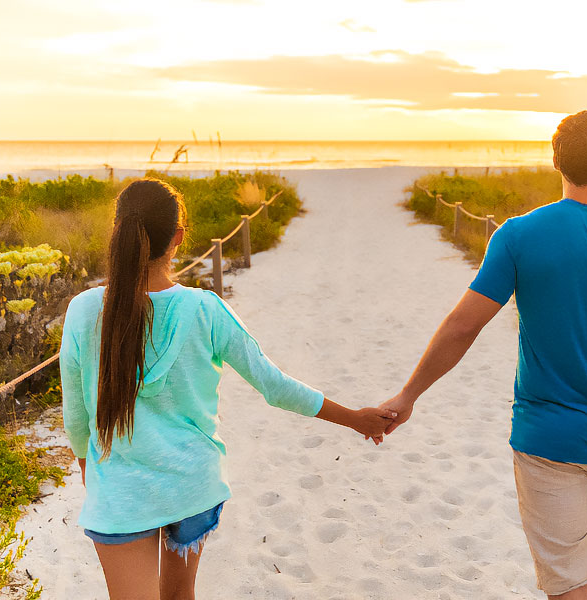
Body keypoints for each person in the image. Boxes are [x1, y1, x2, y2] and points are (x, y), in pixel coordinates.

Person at [377, 110, 587, 600]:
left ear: (556, 161)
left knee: (570, 579)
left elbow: (463, 326)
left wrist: (409, 394)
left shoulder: (518, 235)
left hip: (547, 439)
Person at [60, 179, 394, 600]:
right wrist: (355, 418)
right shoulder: (205, 309)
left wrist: (97, 479)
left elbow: (75, 418)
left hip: (120, 491)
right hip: (191, 482)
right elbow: (274, 386)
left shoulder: (85, 310)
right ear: (177, 238)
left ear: (118, 231)